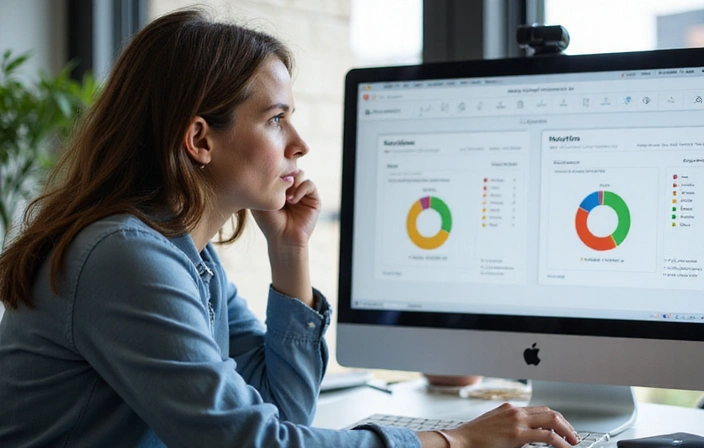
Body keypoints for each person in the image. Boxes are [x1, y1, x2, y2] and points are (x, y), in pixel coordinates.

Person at [0, 8, 580, 448]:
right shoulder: (125, 258)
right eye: (276, 118)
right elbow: (255, 442)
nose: (299, 145)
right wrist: (453, 439)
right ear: (200, 139)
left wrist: (290, 253)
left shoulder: (190, 259)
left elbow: (284, 411)